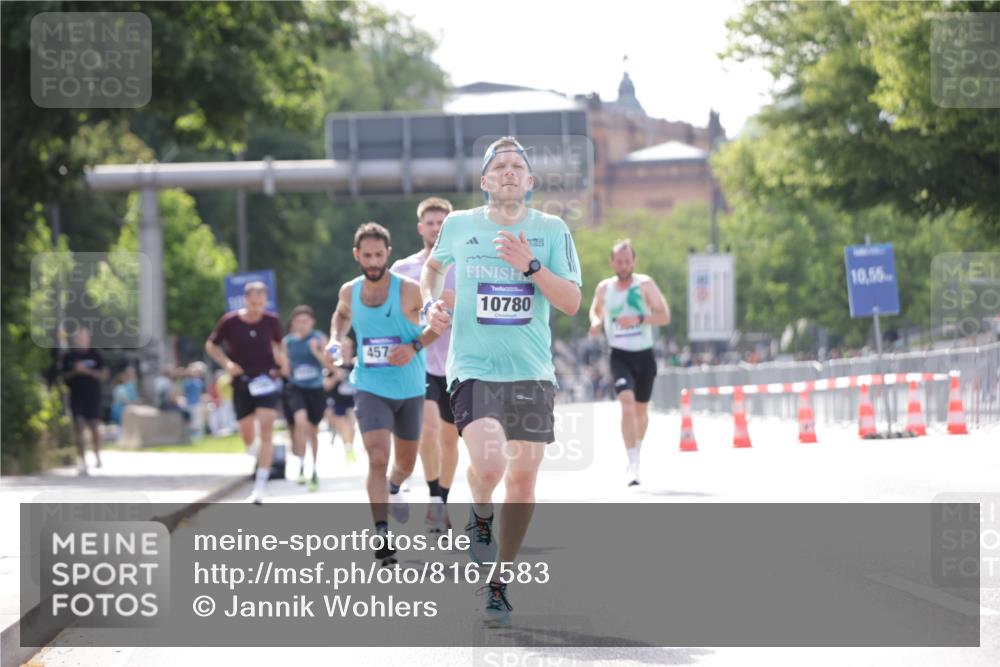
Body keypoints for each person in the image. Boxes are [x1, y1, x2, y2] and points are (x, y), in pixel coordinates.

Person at [420, 136, 582, 626]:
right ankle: (480, 513)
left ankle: (499, 581)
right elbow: (432, 269)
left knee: (524, 480)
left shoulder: (551, 230)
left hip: (532, 372)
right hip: (474, 368)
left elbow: (571, 302)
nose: (509, 172)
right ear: (485, 181)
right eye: (500, 166)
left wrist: (530, 266)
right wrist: (432, 302)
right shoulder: (461, 224)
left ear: (530, 183)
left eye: (518, 166)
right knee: (488, 465)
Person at [329, 222, 439, 566]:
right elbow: (342, 315)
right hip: (369, 385)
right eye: (367, 255)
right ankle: (381, 534)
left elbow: (439, 322)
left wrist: (414, 346)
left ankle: (394, 487)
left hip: (408, 387)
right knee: (377, 456)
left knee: (405, 463)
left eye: (379, 255)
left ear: (388, 254)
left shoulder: (408, 291)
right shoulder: (350, 290)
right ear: (356, 255)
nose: (373, 262)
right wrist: (336, 338)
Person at [390, 196, 460, 534]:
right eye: (430, 223)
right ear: (421, 228)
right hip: (419, 363)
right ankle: (433, 495)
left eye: (442, 223)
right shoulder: (403, 270)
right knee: (427, 429)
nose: (436, 228)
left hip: (459, 364)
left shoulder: (465, 265)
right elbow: (387, 313)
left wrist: (457, 304)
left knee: (450, 441)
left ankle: (440, 502)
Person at [588, 239, 671, 486]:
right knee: (626, 404)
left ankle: (638, 449)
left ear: (634, 261)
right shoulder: (604, 288)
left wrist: (639, 319)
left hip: (644, 355)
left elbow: (664, 316)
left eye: (627, 261)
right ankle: (632, 463)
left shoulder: (644, 285)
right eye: (619, 261)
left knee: (641, 413)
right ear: (612, 262)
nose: (623, 266)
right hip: (619, 354)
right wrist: (595, 322)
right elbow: (595, 310)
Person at [205, 281, 285, 504]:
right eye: (254, 300)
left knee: (267, 429)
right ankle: (254, 452)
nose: (257, 305)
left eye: (261, 301)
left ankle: (260, 485)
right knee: (247, 434)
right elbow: (211, 345)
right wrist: (227, 364)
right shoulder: (230, 321)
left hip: (266, 380)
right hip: (241, 382)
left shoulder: (272, 320)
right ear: (246, 299)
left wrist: (282, 360)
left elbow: (280, 344)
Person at [280, 305, 332, 492]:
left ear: (312, 322)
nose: (301, 325)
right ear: (293, 323)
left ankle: (314, 468)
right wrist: (284, 366)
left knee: (313, 431)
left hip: (316, 389)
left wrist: (316, 351)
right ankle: (301, 465)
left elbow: (330, 365)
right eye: (298, 322)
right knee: (300, 422)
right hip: (296, 388)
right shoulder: (287, 342)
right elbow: (285, 368)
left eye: (305, 321)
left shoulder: (319, 338)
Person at [61, 327, 109, 475]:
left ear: (88, 338)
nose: (82, 339)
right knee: (79, 428)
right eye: (79, 337)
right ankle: (81, 460)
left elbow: (104, 375)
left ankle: (97, 454)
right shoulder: (69, 356)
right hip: (76, 398)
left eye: (84, 336)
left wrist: (86, 371)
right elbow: (63, 377)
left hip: (93, 397)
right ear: (75, 339)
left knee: (95, 428)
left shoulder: (96, 355)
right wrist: (76, 371)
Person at [323, 334, 357, 463]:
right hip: (337, 401)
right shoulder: (334, 366)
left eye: (348, 348)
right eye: (343, 349)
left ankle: (350, 447)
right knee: (343, 427)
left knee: (352, 424)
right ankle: (347, 448)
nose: (346, 351)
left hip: (353, 400)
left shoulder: (356, 365)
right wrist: (336, 377)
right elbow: (326, 386)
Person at [110, 366, 139, 434]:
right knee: (121, 425)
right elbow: (124, 399)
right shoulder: (120, 388)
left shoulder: (126, 386)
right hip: (120, 408)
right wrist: (131, 403)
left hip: (122, 407)